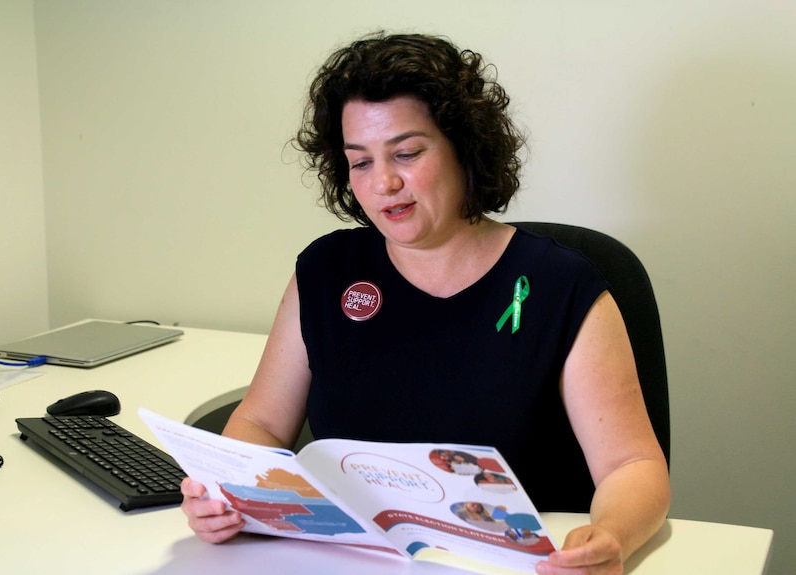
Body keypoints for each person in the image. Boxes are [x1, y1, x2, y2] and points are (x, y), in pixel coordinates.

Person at [181, 32, 670, 575]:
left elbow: (634, 463)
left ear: (465, 147)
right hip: (352, 560)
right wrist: (224, 492)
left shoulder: (558, 284)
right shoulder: (325, 272)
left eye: (407, 153)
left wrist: (611, 537)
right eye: (360, 162)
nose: (384, 183)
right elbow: (263, 423)